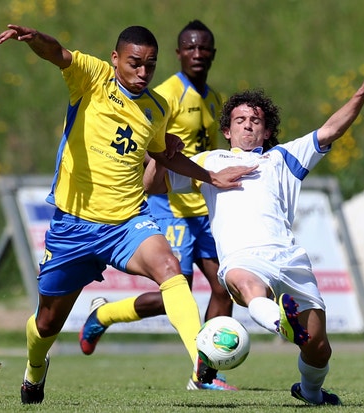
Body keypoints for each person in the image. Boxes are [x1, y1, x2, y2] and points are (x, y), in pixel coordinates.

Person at [0, 24, 254, 405]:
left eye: (151, 65)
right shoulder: (93, 77)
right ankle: (35, 368)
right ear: (116, 59)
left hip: (127, 222)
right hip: (75, 225)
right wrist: (36, 39)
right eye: (135, 63)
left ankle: (200, 361)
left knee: (169, 267)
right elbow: (58, 53)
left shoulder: (156, 107)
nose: (143, 73)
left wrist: (211, 176)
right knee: (47, 322)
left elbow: (164, 154)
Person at [144, 61, 364, 405]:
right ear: (228, 131)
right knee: (247, 285)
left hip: (289, 258)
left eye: (255, 121)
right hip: (242, 258)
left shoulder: (284, 158)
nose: (248, 126)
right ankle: (282, 323)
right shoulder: (211, 161)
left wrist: (362, 92)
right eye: (240, 121)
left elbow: (331, 130)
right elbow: (152, 185)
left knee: (319, 348)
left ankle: (309, 392)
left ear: (266, 131)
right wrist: (163, 154)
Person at [78, 20, 236, 391]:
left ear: (213, 53)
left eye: (205, 48)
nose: (198, 54)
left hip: (202, 208)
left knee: (223, 286)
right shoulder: (164, 94)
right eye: (190, 48)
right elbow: (154, 152)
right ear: (179, 53)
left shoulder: (213, 98)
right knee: (175, 290)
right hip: (170, 206)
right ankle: (104, 314)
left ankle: (208, 370)